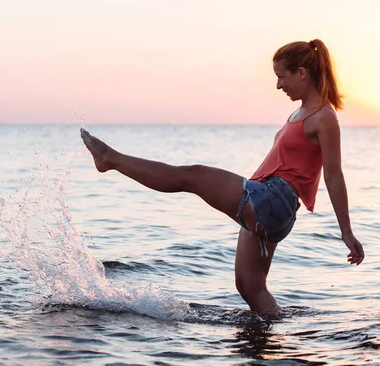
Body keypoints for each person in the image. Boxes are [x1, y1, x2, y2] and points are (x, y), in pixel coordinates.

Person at [80, 39, 364, 317]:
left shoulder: (324, 117)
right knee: (249, 287)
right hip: (268, 201)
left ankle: (110, 159)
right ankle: (271, 342)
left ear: (302, 73)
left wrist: (346, 231)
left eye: (281, 77)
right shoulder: (301, 112)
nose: (278, 85)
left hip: (274, 200)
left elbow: (334, 175)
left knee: (191, 176)